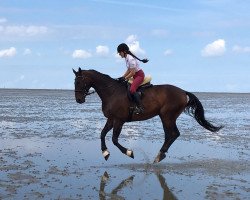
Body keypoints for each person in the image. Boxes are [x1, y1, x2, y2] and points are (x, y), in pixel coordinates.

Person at [117, 43, 149, 114]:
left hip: (139, 75)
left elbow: (133, 73)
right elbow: (129, 70)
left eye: (120, 53)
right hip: (135, 75)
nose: (119, 54)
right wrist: (122, 77)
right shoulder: (127, 58)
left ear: (124, 51)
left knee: (132, 90)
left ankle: (140, 107)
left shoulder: (130, 59)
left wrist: (125, 78)